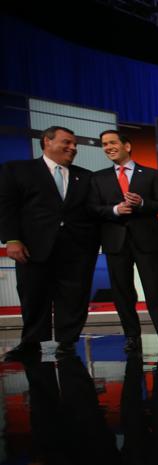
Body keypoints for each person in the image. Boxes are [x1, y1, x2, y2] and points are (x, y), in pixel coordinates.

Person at [0, 126, 99, 360]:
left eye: (75, 144)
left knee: (74, 296)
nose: (73, 148)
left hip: (76, 249)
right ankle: (31, 342)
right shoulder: (17, 170)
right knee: (32, 293)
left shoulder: (85, 176)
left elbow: (93, 212)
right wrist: (12, 239)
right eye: (67, 142)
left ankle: (67, 342)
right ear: (47, 141)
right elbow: (6, 207)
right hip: (33, 247)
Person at [89, 129, 158, 353]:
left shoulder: (151, 175)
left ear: (127, 146)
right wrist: (115, 210)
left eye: (112, 143)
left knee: (155, 290)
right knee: (122, 292)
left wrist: (143, 203)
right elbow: (92, 209)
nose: (108, 147)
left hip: (146, 241)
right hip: (115, 242)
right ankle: (131, 337)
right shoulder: (98, 178)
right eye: (104, 144)